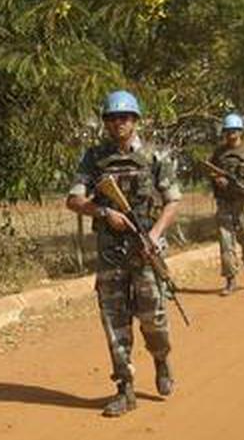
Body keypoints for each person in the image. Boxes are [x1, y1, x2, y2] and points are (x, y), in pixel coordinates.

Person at [66, 90, 181, 418]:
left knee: (153, 320)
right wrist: (104, 214)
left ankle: (161, 359)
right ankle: (125, 389)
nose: (119, 123)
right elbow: (73, 199)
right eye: (113, 118)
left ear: (136, 121)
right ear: (105, 122)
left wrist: (156, 235)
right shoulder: (93, 158)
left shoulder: (156, 157)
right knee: (115, 323)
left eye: (125, 118)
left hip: (145, 253)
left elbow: (173, 200)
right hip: (111, 255)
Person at [210, 112, 244, 295]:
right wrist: (217, 179)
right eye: (228, 131)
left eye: (234, 131)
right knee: (226, 244)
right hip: (225, 203)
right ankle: (230, 280)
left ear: (240, 132)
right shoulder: (218, 153)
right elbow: (210, 171)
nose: (231, 135)